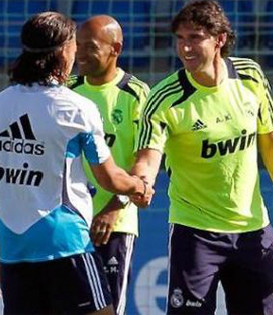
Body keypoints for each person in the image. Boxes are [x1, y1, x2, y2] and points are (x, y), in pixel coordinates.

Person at [0, 12, 152, 315]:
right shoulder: (77, 108)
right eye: (73, 45)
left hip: (14, 250)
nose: (77, 53)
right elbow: (108, 178)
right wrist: (138, 185)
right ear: (61, 52)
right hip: (66, 244)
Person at [131, 1, 273, 313]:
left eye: (194, 38)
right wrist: (142, 182)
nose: (185, 47)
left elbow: (272, 144)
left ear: (219, 39)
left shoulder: (250, 76)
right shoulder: (164, 98)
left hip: (253, 230)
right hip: (195, 234)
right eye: (180, 38)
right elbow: (148, 157)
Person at [69, 15, 150, 315]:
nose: (80, 54)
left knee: (107, 309)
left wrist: (116, 206)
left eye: (89, 47)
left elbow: (146, 162)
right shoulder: (68, 90)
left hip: (114, 225)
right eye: (76, 46)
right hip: (70, 224)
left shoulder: (137, 95)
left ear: (115, 49)